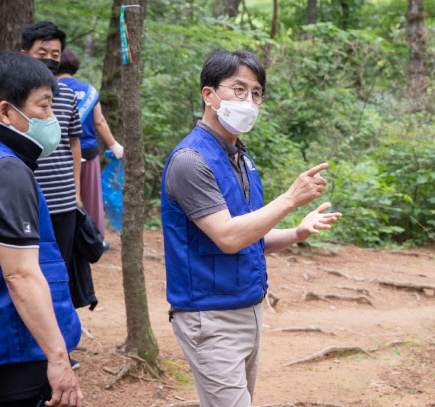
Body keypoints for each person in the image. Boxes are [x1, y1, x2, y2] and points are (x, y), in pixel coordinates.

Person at [162, 50, 342, 407]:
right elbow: (228, 237)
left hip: (249, 309)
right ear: (209, 95)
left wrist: (296, 233)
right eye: (238, 90)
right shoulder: (190, 161)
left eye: (256, 93)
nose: (249, 101)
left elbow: (249, 237)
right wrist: (290, 199)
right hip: (210, 317)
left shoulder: (242, 159)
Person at [0, 51, 83, 407]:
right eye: (44, 106)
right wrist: (59, 359)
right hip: (19, 346)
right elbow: (20, 274)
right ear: (6, 111)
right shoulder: (10, 171)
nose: (51, 119)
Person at [21, 21, 83, 370]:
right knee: (28, 273)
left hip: (62, 202)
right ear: (25, 53)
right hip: (25, 202)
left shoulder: (69, 95)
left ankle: (63, 345)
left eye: (54, 54)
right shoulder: (15, 100)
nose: (49, 60)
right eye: (41, 53)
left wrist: (76, 192)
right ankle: (33, 347)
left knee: (59, 273)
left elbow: (75, 142)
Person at [56, 47, 124, 244]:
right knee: (92, 198)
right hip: (87, 151)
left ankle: (63, 238)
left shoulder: (49, 88)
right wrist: (114, 146)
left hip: (60, 152)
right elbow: (99, 121)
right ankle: (96, 239)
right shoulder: (88, 90)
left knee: (61, 196)